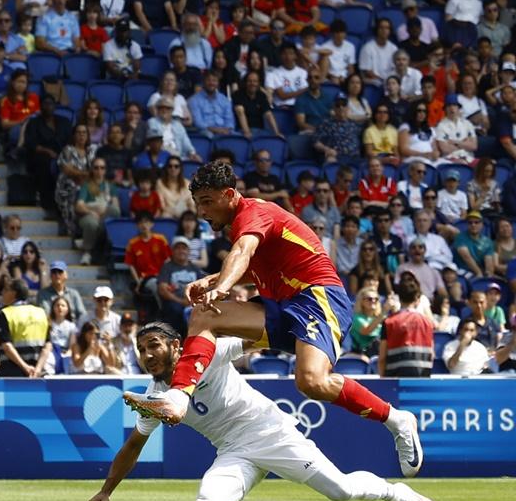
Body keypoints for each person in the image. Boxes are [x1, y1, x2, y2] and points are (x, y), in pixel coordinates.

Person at [123, 161, 424, 478]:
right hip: (282, 305)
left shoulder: (253, 214)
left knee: (311, 382)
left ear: (229, 194)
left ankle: (397, 420)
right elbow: (256, 266)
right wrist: (213, 281)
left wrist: (223, 286)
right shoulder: (241, 224)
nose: (201, 211)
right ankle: (178, 397)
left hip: (318, 299)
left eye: (207, 201)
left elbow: (241, 253)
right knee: (205, 315)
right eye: (197, 203)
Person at [93, 322, 439, 501]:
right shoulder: (156, 396)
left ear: (174, 345)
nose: (147, 354)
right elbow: (132, 446)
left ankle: (399, 494)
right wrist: (106, 490)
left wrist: (308, 344)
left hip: (271, 434)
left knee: (341, 490)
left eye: (153, 345)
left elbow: (264, 336)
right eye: (141, 349)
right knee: (207, 499)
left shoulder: (209, 352)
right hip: (233, 451)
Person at [378, 279, 435, 377]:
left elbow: (382, 358)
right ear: (417, 299)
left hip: (395, 380)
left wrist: (383, 380)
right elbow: (432, 355)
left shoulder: (389, 322)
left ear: (399, 298)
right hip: (422, 379)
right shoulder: (428, 323)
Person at [0, 279, 47, 377]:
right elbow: (47, 346)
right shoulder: (41, 312)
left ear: (14, 293)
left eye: (6, 290)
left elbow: (7, 346)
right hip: (37, 374)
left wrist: (26, 368)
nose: (2, 293)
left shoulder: (6, 313)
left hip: (12, 373)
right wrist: (38, 369)